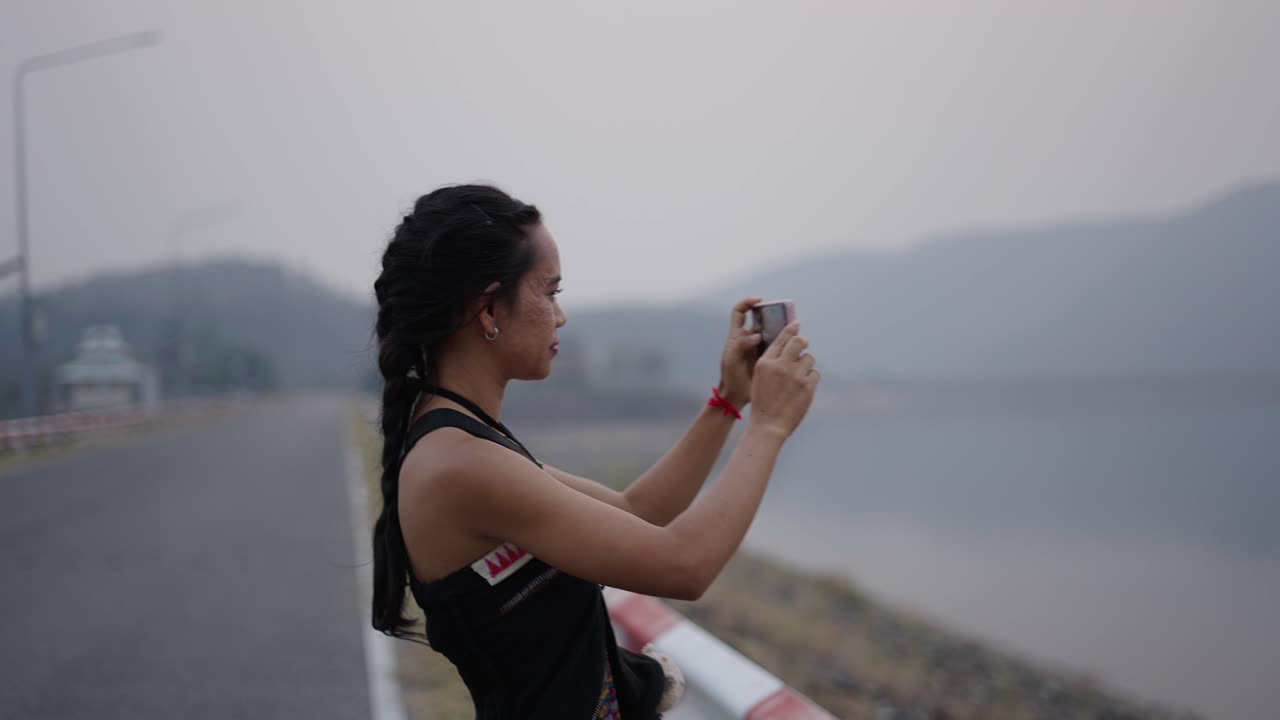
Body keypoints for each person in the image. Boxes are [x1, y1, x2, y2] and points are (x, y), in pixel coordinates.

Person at [370, 184, 819, 719]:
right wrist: (768, 428)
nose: (560, 317)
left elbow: (635, 513)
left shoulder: (465, 443)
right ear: (489, 308)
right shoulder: (463, 465)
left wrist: (728, 402)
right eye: (550, 291)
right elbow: (685, 565)